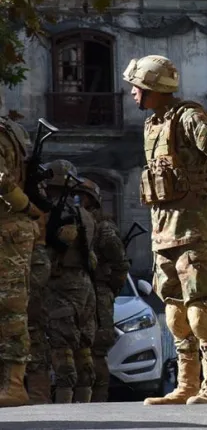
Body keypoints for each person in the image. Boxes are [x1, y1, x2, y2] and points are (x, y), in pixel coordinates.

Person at [122, 54, 207, 406]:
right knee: (175, 314)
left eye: (137, 87)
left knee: (201, 313)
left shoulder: (189, 117)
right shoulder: (152, 126)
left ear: (153, 88)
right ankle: (186, 384)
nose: (133, 94)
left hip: (197, 232)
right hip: (163, 236)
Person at [42, 159, 98, 404]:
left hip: (63, 282)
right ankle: (84, 403)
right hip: (85, 284)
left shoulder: (59, 212)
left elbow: (54, 247)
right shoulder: (85, 214)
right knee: (83, 346)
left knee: (62, 344)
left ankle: (64, 408)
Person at [73, 178, 130, 403]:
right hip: (76, 291)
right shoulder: (71, 220)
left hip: (98, 291)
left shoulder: (103, 227)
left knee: (96, 349)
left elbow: (120, 264)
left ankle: (97, 403)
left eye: (81, 196)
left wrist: (109, 288)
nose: (77, 200)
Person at [0, 106, 42, 407]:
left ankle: (14, 385)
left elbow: (1, 179)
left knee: (10, 307)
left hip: (7, 226)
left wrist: (26, 206)